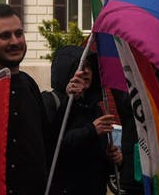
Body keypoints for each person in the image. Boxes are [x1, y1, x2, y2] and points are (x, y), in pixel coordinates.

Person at [0, 4, 85, 195]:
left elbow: (47, 141)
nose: (15, 41)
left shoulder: (29, 85)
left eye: (19, 33)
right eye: (5, 36)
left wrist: (70, 101)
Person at [47, 45, 121, 195]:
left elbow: (96, 161)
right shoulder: (50, 102)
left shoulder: (95, 108)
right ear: (66, 70)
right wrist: (91, 130)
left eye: (90, 67)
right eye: (81, 66)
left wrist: (112, 158)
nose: (86, 71)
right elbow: (52, 147)